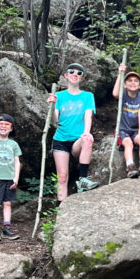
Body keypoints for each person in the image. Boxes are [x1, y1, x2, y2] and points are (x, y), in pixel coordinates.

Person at [47, 62, 99, 202]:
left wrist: (86, 132)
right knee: (62, 176)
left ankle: (82, 178)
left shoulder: (88, 96)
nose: (75, 74)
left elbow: (88, 116)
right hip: (61, 140)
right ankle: (60, 209)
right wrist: (51, 106)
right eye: (72, 72)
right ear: (66, 75)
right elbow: (54, 121)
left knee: (88, 139)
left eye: (79, 73)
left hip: (77, 140)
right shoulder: (59, 96)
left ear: (82, 78)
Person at [112, 62, 140, 178]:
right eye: (130, 81)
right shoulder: (123, 95)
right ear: (124, 85)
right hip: (123, 130)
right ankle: (130, 167)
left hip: (135, 130)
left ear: (139, 85)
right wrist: (120, 73)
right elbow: (115, 93)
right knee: (128, 143)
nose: (133, 83)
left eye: (136, 81)